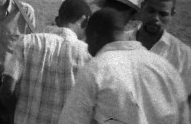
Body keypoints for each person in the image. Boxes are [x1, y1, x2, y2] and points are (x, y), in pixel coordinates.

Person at [58, 8, 190, 124]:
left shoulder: (95, 70)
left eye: (87, 39)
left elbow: (72, 120)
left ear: (94, 36)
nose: (87, 45)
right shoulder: (165, 68)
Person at [0, 0, 92, 124]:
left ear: (58, 21)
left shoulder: (27, 42)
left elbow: (6, 89)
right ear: (84, 20)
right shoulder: (87, 54)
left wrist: (18, 112)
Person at [131, 0, 191, 99]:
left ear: (172, 14)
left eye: (163, 14)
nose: (155, 18)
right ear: (142, 7)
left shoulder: (183, 55)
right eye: (151, 10)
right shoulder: (121, 42)